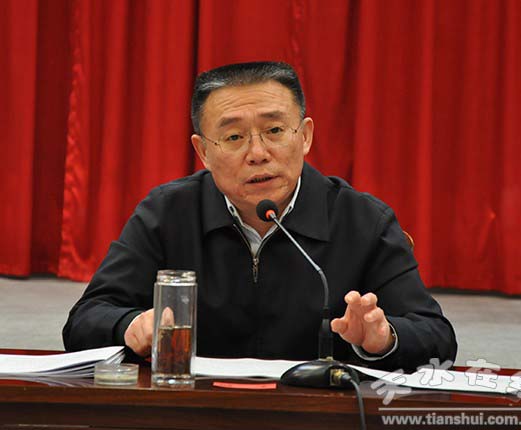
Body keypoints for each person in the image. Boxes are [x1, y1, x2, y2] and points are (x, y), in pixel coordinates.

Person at [63, 61, 457, 371]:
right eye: (234, 137)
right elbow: (85, 321)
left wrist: (383, 339)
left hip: (314, 416)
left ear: (305, 136)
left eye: (274, 131)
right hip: (198, 412)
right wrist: (131, 327)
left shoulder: (362, 219)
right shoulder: (167, 213)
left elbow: (437, 338)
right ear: (203, 151)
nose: (257, 153)